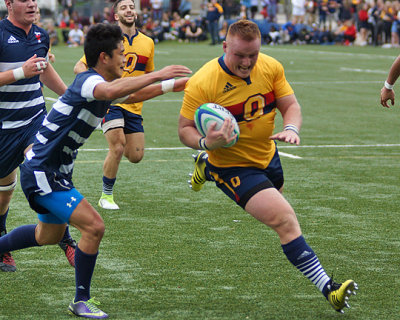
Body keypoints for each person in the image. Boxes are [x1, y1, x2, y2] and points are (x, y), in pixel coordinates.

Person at [0, 22, 191, 318]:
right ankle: (81, 300)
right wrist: (159, 73)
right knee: (94, 227)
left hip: (53, 171)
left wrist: (170, 86)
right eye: (120, 54)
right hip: (43, 173)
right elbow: (112, 89)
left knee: (46, 236)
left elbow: (129, 96)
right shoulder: (90, 82)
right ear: (104, 58)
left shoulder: (99, 87)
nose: (125, 61)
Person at [177, 19, 358, 314]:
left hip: (267, 155)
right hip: (232, 166)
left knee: (281, 206)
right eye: (239, 56)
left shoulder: (271, 67)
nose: (247, 63)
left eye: (253, 55)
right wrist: (208, 144)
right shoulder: (203, 82)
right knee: (285, 219)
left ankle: (205, 169)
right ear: (225, 47)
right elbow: (184, 129)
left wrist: (292, 128)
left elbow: (291, 105)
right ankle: (330, 290)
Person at [0, 0, 76, 272]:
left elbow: (44, 71)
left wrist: (71, 98)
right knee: (3, 194)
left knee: (45, 169)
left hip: (35, 120)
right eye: (24, 0)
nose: (32, 3)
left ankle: (66, 239)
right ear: (9, 4)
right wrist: (21, 71)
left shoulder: (41, 35)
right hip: (3, 129)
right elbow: (29, 70)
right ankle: (2, 243)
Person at [74, 0, 158, 210]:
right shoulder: (107, 40)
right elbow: (80, 66)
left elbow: (148, 76)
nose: (129, 10)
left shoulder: (148, 42)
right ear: (116, 16)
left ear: (136, 13)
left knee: (136, 155)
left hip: (133, 104)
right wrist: (99, 87)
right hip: (110, 102)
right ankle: (106, 196)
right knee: (118, 145)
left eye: (131, 6)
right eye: (123, 8)